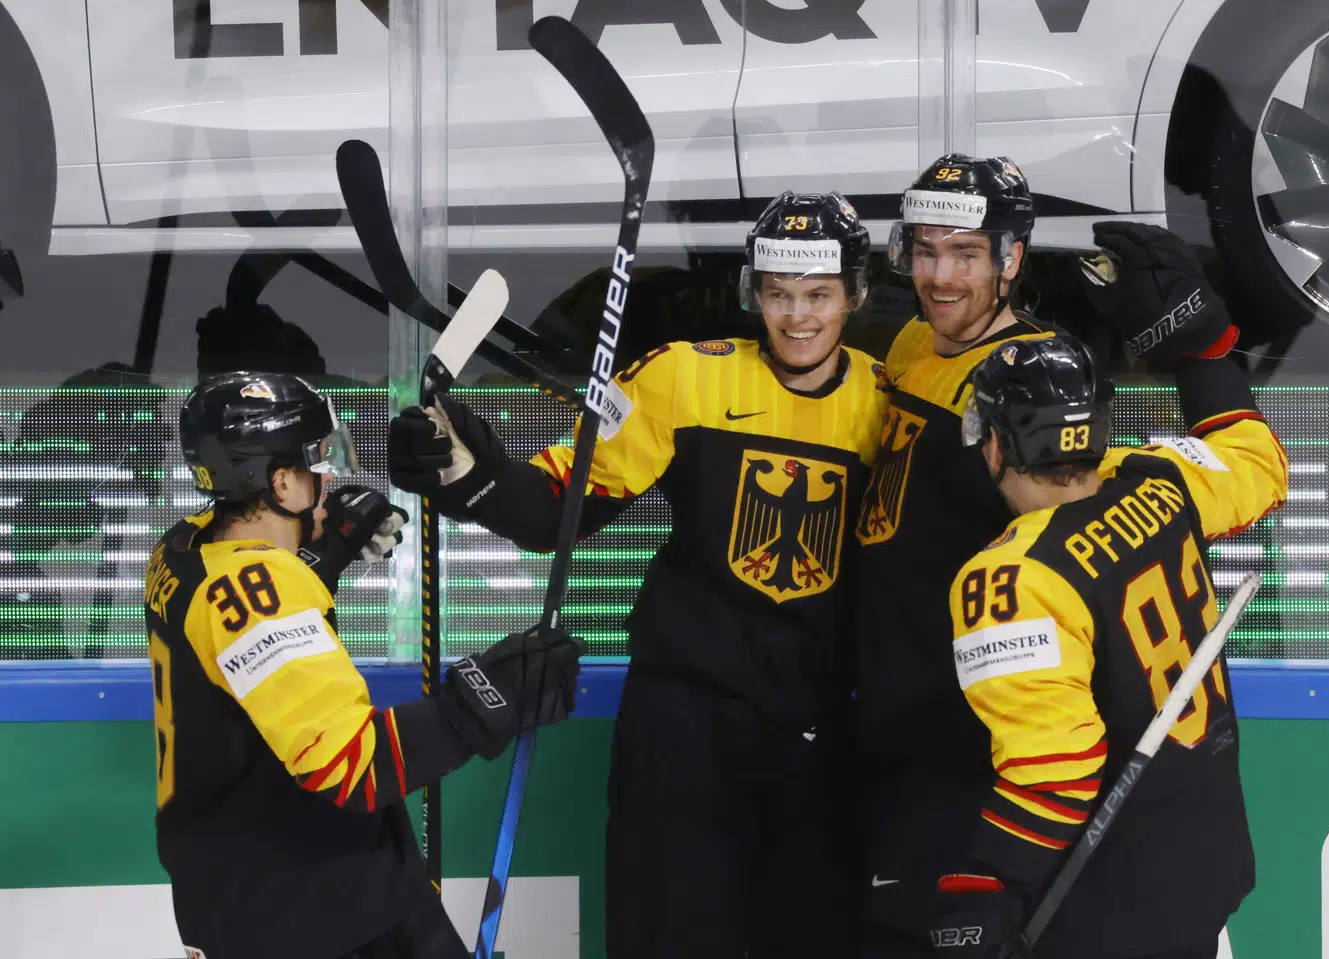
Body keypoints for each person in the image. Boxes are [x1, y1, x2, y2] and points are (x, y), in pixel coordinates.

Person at [386, 191, 889, 958]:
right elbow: (555, 509)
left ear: (854, 294)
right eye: (779, 293)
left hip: (815, 735)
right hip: (685, 730)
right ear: (753, 291)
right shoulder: (684, 378)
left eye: (818, 294)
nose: (797, 316)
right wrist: (463, 470)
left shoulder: (887, 405)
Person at [144, 371, 584, 959]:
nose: (328, 477)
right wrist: (489, 696)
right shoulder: (258, 592)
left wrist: (323, 553)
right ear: (280, 483)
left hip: (277, 880)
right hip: (302, 907)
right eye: (313, 463)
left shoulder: (180, 549)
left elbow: (234, 638)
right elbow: (350, 769)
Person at [915, 327, 1285, 959]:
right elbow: (1259, 464)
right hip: (1205, 862)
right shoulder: (1162, 485)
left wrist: (990, 887)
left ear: (997, 443)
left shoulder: (1011, 579)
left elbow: (1056, 773)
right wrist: (1200, 340)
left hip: (1105, 900)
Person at [849, 154, 1060, 936]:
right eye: (926, 249)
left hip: (965, 743)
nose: (939, 276)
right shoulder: (911, 341)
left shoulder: (1034, 382)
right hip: (886, 721)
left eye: (965, 253)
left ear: (1012, 259)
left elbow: (1067, 557)